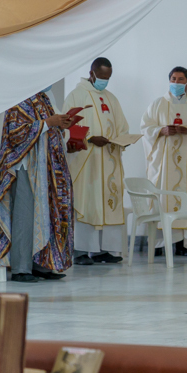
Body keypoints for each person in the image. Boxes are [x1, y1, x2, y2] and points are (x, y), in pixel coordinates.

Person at [0, 88, 74, 282]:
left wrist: (61, 125)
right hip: (25, 167)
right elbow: (15, 134)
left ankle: (40, 263)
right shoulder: (18, 98)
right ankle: (21, 268)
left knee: (44, 216)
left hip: (45, 168)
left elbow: (49, 128)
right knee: (25, 218)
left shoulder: (44, 99)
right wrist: (48, 122)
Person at [63, 58, 129, 266]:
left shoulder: (111, 99)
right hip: (87, 162)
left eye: (107, 78)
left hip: (108, 161)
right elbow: (66, 127)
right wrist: (90, 139)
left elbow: (122, 128)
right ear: (91, 73)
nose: (104, 81)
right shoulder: (76, 95)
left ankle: (103, 250)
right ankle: (81, 250)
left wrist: (121, 140)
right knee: (87, 202)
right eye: (101, 77)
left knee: (108, 202)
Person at [140, 67, 187, 257]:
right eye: (173, 78)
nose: (176, 83)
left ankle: (185, 244)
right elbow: (145, 128)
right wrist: (160, 131)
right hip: (164, 163)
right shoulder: (157, 104)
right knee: (164, 199)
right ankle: (162, 243)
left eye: (181, 80)